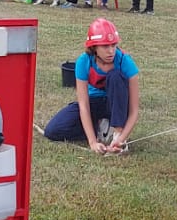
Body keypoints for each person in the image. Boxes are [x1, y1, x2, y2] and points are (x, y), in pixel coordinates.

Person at [44, 17, 139, 151]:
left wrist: (121, 139)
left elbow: (134, 110)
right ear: (93, 47)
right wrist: (92, 142)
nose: (111, 51)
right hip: (93, 103)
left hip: (117, 106)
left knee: (115, 76)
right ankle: (100, 128)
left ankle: (115, 131)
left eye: (113, 45)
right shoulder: (83, 62)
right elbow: (84, 105)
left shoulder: (125, 61)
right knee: (53, 131)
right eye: (105, 46)